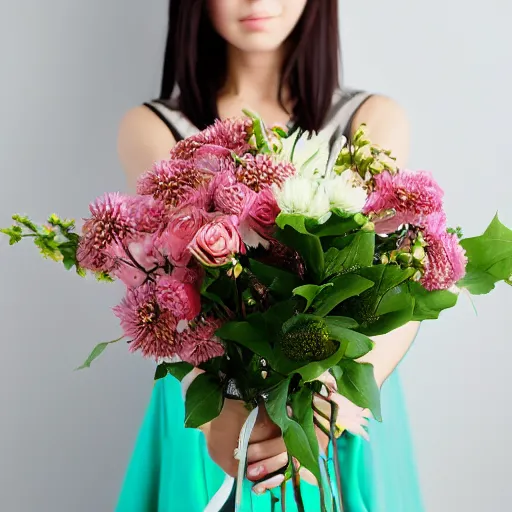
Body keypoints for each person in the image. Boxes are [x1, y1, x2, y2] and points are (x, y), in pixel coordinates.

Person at [115, 1, 424, 510]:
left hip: (337, 399)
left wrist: (328, 408)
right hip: (208, 395)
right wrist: (218, 410)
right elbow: (165, 285)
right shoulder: (156, 127)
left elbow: (401, 287)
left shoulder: (369, 121)